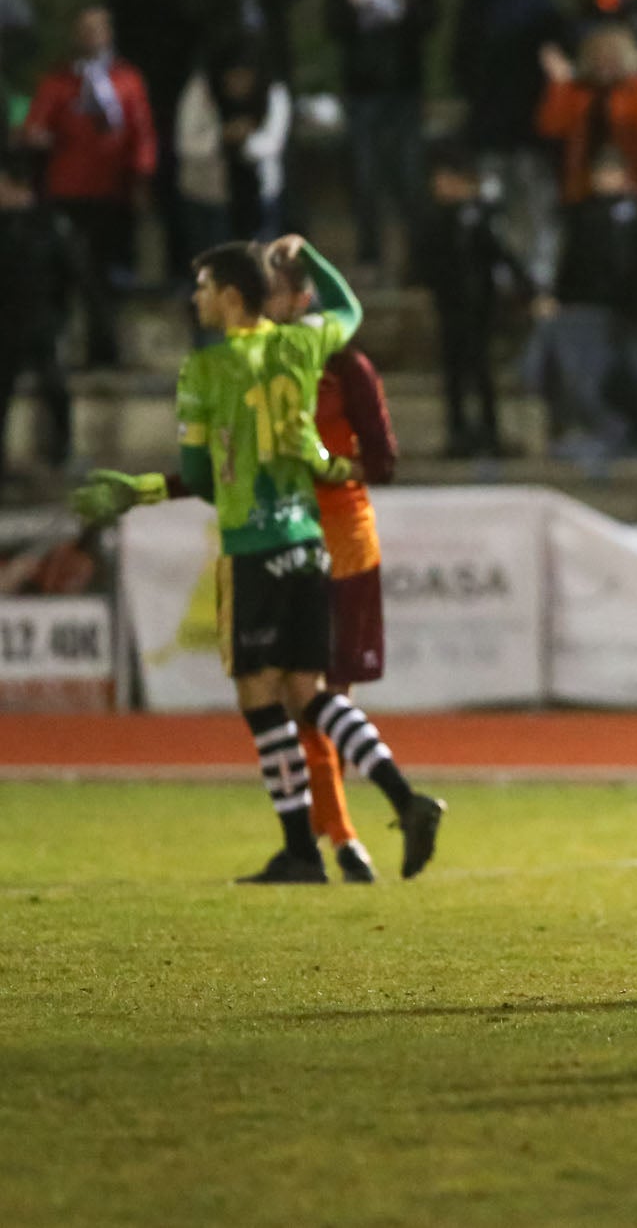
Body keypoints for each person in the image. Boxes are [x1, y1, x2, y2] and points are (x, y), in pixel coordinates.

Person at [70, 239, 443, 883]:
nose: (196, 299)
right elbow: (349, 307)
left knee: (258, 697)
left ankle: (302, 849)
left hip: (252, 546)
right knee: (310, 693)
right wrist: (319, 258)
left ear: (232, 297)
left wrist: (143, 491)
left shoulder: (206, 371)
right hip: (306, 542)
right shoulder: (300, 349)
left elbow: (203, 477)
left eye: (205, 287)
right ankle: (405, 800)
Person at [265, 247, 398, 882]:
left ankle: (336, 838)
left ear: (300, 298)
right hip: (284, 541)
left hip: (341, 544)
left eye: (269, 290)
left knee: (318, 697)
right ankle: (334, 839)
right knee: (307, 700)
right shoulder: (255, 365)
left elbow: (384, 463)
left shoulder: (344, 365)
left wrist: (326, 465)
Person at [21, 6, 157, 370]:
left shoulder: (127, 79)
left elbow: (142, 132)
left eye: (98, 29)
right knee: (60, 276)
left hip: (113, 193)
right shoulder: (58, 83)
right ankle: (54, 353)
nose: (92, 36)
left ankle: (105, 349)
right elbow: (34, 127)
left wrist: (142, 177)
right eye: (85, 29)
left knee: (108, 275)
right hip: (67, 191)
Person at [324, 0, 438, 276]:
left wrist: (409, 2)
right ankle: (369, 253)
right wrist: (352, 4)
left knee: (409, 177)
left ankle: (420, 256)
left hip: (404, 87)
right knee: (365, 177)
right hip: (363, 90)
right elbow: (334, 27)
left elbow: (429, 23)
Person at [452, 0, 565, 292]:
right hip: (489, 120)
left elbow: (555, 40)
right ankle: (498, 277)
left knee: (535, 200)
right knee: (492, 202)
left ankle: (541, 276)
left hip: (529, 120)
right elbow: (462, 57)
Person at [526, 153, 637, 458]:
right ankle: (594, 434)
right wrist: (560, 296)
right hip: (585, 309)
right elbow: (572, 260)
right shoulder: (582, 214)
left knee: (623, 373)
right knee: (584, 376)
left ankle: (627, 435)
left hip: (624, 312)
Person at [413, 145, 524, 457]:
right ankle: (458, 432)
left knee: (481, 370)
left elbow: (500, 254)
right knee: (454, 372)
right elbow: (425, 260)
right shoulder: (434, 218)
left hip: (480, 306)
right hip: (450, 306)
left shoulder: (482, 216)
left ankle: (490, 431)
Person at [105, 0, 195, 279]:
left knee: (174, 187)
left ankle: (179, 267)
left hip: (172, 102)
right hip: (132, 104)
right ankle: (124, 267)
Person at [0, 156, 80, 497]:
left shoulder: (50, 225)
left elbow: (72, 273)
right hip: (6, 323)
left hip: (40, 319)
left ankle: (61, 455)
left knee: (55, 386)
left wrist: (59, 315)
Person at [175, 42, 291, 248]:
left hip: (258, 195)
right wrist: (222, 137)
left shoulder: (272, 91)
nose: (239, 84)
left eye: (245, 77)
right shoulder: (202, 91)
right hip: (208, 194)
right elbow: (186, 144)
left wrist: (244, 140)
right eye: (233, 77)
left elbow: (273, 142)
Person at [536, 23, 637, 210]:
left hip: (633, 185)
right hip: (583, 187)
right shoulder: (576, 92)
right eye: (597, 56)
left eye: (612, 56)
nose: (603, 63)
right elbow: (550, 127)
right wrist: (558, 84)